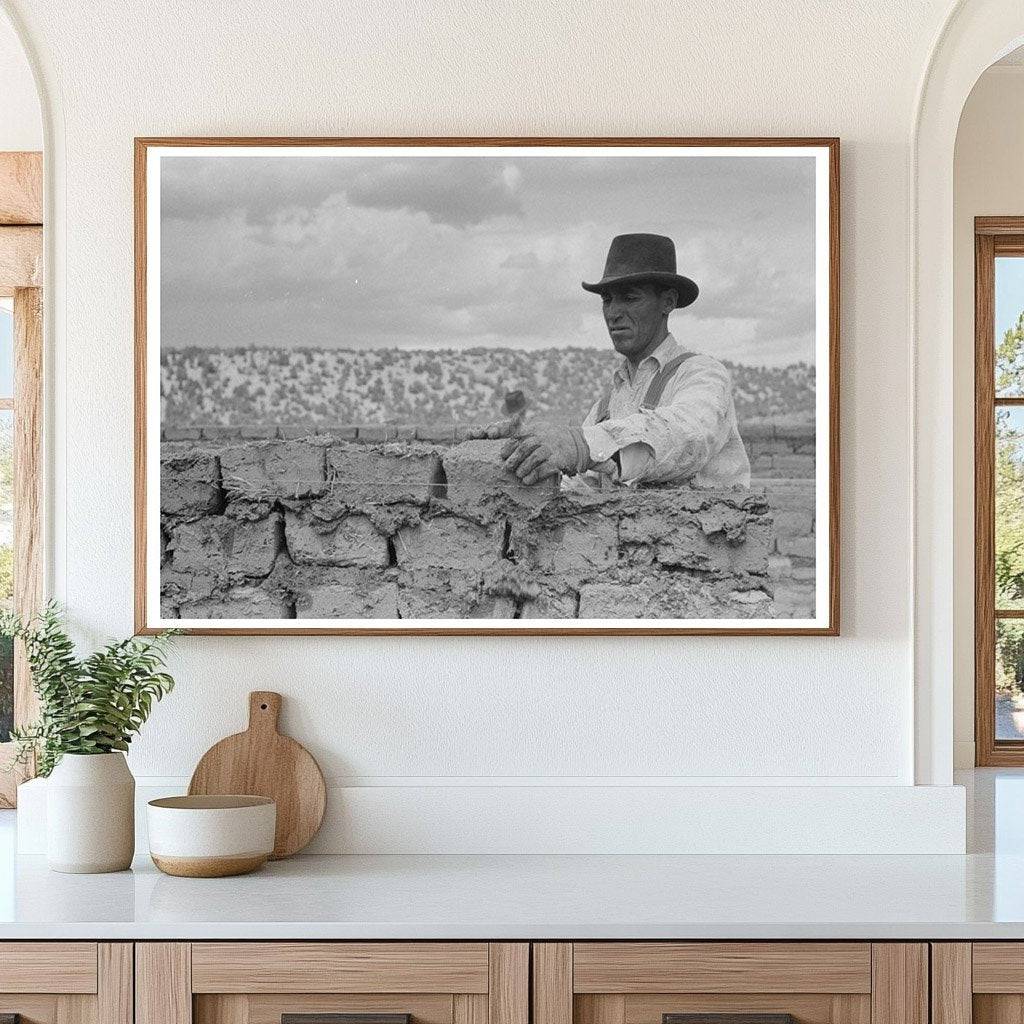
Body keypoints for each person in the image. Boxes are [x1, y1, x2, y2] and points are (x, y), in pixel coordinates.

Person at [499, 233, 750, 489]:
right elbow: (579, 488)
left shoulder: (701, 375)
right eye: (607, 300)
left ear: (668, 302)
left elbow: (689, 435)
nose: (614, 313)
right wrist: (516, 462)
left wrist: (582, 446)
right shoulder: (605, 408)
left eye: (630, 298)